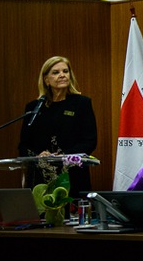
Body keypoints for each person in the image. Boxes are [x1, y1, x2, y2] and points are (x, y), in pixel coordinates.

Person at [18, 56, 98, 199]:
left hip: (72, 174)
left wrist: (63, 156)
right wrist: (38, 155)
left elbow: (89, 141)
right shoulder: (34, 108)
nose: (62, 75)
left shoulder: (82, 103)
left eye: (65, 71)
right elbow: (24, 145)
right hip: (41, 176)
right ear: (46, 79)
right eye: (55, 72)